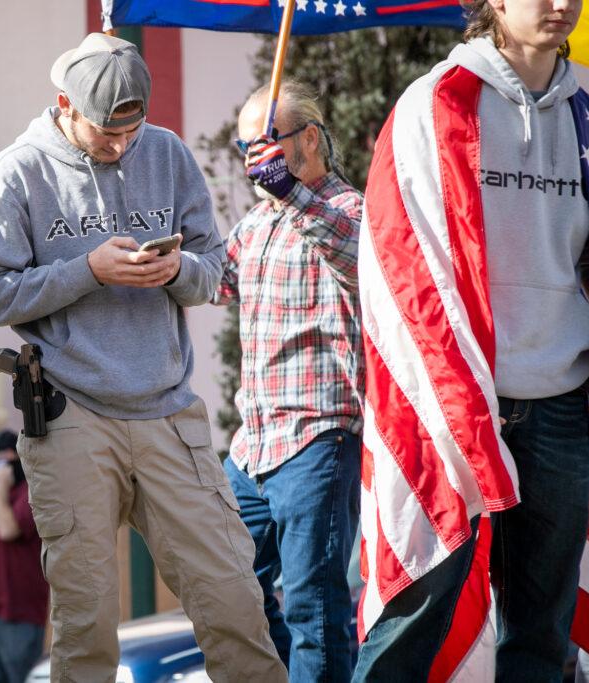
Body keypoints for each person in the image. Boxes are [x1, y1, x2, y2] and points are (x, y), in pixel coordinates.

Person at [0, 32, 287, 683]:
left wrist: (175, 269)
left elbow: (217, 271)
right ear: (64, 103)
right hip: (69, 412)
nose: (121, 146)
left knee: (233, 600)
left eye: (131, 131)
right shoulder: (18, 171)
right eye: (106, 134)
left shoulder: (165, 152)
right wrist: (87, 269)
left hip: (168, 408)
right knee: (85, 624)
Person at [351, 0, 589, 677]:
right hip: (452, 404)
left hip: (560, 402)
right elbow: (401, 266)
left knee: (543, 631)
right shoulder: (432, 106)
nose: (561, 6)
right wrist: (455, 398)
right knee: (414, 616)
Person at [212, 80, 363, 682]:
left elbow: (356, 258)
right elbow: (213, 281)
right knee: (225, 586)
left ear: (307, 138)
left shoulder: (350, 208)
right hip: (252, 447)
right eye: (245, 146)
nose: (256, 157)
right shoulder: (254, 223)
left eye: (266, 142)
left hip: (317, 438)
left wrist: (294, 194)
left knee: (314, 609)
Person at [0, 429, 49, 683]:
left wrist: (0, 489)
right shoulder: (3, 498)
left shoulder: (30, 492)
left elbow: (8, 531)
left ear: (10, 459)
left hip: (18, 616)